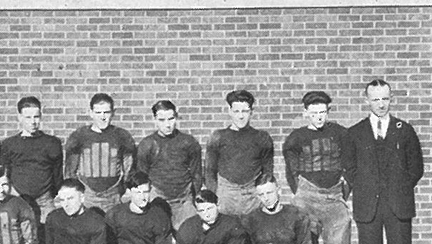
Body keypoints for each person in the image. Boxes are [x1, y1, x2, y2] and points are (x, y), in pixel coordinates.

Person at [343, 79, 424, 244]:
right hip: (368, 209)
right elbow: (350, 169)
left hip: (398, 208)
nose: (381, 104)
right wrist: (366, 189)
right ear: (367, 100)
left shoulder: (404, 130)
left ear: (391, 99)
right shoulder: (354, 133)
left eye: (385, 98)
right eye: (376, 99)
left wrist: (399, 189)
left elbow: (416, 168)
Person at [282, 91, 353, 244]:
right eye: (314, 113)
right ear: (305, 113)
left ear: (328, 111)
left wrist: (342, 191)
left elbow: (350, 165)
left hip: (333, 197)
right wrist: (303, 193)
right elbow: (291, 171)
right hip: (307, 198)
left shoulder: (341, 133)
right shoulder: (296, 138)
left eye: (323, 112)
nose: (319, 117)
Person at [204, 90, 274, 217]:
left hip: (252, 196)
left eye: (245, 111)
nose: (241, 116)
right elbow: (209, 172)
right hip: (226, 195)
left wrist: (261, 196)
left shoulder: (262, 137)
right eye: (236, 111)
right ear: (230, 111)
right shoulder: (218, 137)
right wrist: (215, 197)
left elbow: (267, 172)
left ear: (251, 112)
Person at [64, 93, 136, 215]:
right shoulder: (79, 136)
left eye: (106, 112)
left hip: (113, 195)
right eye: (98, 113)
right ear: (90, 113)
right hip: (88, 195)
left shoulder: (122, 136)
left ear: (113, 112)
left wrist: (122, 191)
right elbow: (70, 171)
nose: (102, 117)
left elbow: (129, 169)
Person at [135, 100, 203, 230]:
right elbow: (142, 177)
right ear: (155, 119)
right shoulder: (147, 144)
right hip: (157, 200)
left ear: (176, 117)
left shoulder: (188, 142)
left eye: (171, 119)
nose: (167, 125)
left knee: (190, 239)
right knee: (158, 242)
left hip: (184, 200)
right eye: (162, 120)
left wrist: (196, 199)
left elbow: (197, 174)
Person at [0, 96, 63, 225]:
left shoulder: (52, 143)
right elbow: (4, 174)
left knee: (47, 239)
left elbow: (57, 174)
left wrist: (51, 194)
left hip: (45, 201)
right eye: (28, 117)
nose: (33, 122)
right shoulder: (9, 144)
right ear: (20, 117)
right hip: (18, 199)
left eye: (36, 117)